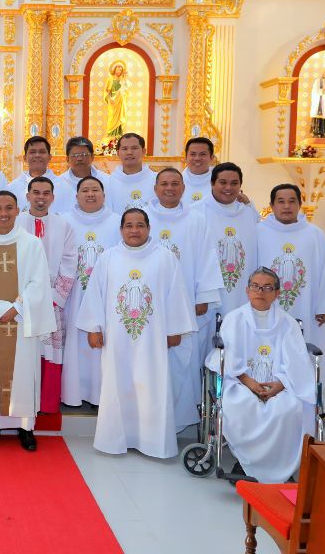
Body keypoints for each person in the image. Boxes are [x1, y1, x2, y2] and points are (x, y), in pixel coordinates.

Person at [76, 208, 195, 458]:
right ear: (121, 230)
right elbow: (95, 293)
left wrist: (175, 329)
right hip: (116, 336)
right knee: (117, 384)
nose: (134, 230)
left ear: (149, 228)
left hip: (153, 338)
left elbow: (176, 293)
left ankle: (152, 441)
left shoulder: (165, 258)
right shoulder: (108, 258)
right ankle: (114, 439)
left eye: (140, 225)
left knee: (151, 385)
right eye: (129, 225)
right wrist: (94, 327)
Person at [0, 191, 56, 450]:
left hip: (21, 319)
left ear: (19, 210)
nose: (4, 213)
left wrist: (17, 307)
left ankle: (24, 427)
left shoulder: (31, 244)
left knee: (23, 372)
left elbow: (39, 282)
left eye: (9, 208)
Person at [216, 267, 316, 483]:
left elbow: (296, 361)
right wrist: (249, 382)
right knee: (242, 406)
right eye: (255, 286)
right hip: (241, 383)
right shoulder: (234, 319)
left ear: (277, 294)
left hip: (280, 385)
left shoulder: (287, 323)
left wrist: (280, 385)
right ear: (247, 290)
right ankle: (245, 464)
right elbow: (229, 360)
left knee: (289, 409)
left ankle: (281, 468)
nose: (260, 292)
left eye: (267, 287)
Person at [146, 168, 224, 431]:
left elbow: (207, 257)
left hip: (188, 303)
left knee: (184, 363)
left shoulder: (197, 219)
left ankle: (180, 420)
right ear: (155, 188)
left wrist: (203, 296)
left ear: (183, 188)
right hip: (149, 306)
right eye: (164, 184)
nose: (170, 188)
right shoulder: (143, 217)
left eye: (175, 184)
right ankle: (149, 421)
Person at [257, 184, 325, 379]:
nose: (287, 206)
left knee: (304, 348)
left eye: (292, 201)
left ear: (300, 204)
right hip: (268, 306)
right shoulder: (258, 231)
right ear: (271, 205)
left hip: (305, 306)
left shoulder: (314, 234)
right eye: (281, 201)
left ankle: (306, 395)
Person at [15, 177, 77, 413]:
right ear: (28, 195)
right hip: (21, 300)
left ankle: (46, 404)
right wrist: (21, 296)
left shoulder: (63, 226)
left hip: (52, 299)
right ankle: (22, 403)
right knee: (24, 351)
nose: (41, 198)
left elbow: (70, 261)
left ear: (52, 197)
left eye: (46, 193)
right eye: (36, 192)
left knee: (48, 352)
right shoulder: (16, 222)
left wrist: (54, 297)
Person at [61, 177, 121, 407]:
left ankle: (102, 395)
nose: (90, 194)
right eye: (84, 190)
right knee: (74, 344)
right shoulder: (65, 221)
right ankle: (72, 393)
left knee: (103, 344)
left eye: (95, 189)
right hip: (73, 294)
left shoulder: (116, 222)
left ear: (104, 195)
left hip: (107, 295)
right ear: (76, 196)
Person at [194, 163, 260, 318]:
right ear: (212, 183)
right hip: (207, 292)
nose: (228, 188)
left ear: (240, 186)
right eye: (223, 182)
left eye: (234, 183)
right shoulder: (196, 212)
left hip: (241, 289)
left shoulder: (249, 213)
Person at [7, 136, 71, 214]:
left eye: (42, 152)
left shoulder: (63, 187)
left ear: (50, 157)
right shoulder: (12, 188)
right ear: (25, 158)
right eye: (32, 152)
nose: (37, 155)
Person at [106, 133, 156, 214]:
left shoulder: (157, 180)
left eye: (134, 148)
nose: (129, 152)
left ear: (144, 151)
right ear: (118, 153)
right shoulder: (108, 182)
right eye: (124, 149)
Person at [103, 61, 127, 140]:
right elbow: (107, 91)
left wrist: (125, 79)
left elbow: (126, 90)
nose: (119, 71)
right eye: (117, 69)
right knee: (112, 118)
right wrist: (109, 99)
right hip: (112, 101)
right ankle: (110, 136)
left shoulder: (123, 80)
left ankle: (118, 136)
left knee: (120, 118)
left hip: (120, 101)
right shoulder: (110, 79)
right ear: (114, 70)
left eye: (120, 70)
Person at [310, 67, 325, 137]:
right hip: (319, 101)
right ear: (323, 71)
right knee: (318, 115)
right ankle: (316, 132)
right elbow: (315, 91)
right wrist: (323, 89)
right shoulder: (318, 81)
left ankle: (323, 133)